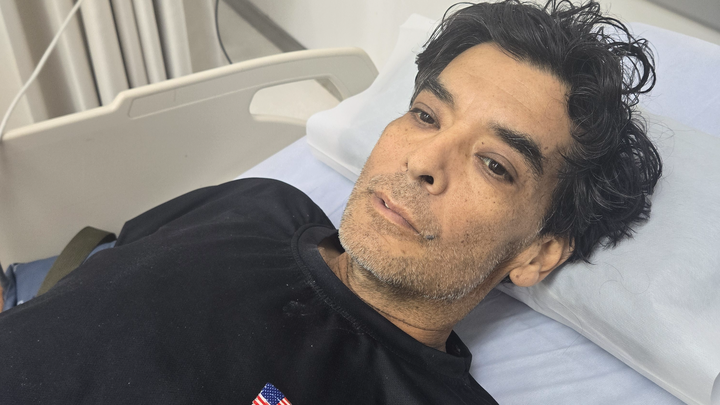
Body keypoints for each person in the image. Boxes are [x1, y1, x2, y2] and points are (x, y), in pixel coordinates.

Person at [0, 0, 660, 404]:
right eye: (426, 116)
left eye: (494, 163)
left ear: (538, 253)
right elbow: (87, 280)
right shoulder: (261, 204)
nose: (422, 162)